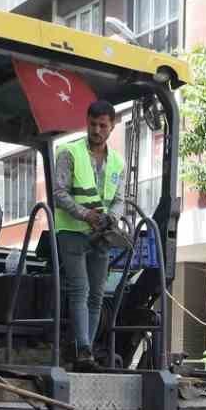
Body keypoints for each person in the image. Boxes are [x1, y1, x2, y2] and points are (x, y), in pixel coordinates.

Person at [52, 99, 124, 372]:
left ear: (111, 127)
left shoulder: (117, 161)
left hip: (101, 236)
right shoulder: (69, 153)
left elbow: (119, 199)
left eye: (102, 125)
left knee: (96, 295)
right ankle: (82, 350)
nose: (96, 129)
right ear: (87, 122)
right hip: (72, 232)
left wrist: (112, 218)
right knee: (80, 289)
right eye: (92, 124)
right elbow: (59, 193)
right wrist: (85, 215)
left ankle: (87, 352)